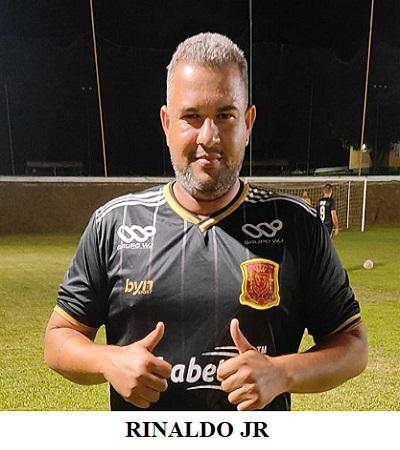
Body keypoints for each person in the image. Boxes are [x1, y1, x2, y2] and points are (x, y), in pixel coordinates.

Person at [44, 32, 367, 411]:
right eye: (192, 117)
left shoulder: (297, 225)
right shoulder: (115, 225)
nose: (208, 137)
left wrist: (282, 373)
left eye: (225, 116)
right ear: (167, 123)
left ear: (248, 122)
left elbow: (353, 346)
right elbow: (58, 338)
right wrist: (107, 360)